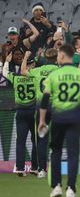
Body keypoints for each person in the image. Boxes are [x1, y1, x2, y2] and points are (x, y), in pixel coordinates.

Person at [38, 44, 80, 197]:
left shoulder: (54, 75)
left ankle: (56, 187)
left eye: (58, 56)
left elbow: (45, 100)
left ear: (62, 56)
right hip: (74, 118)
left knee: (56, 151)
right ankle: (71, 188)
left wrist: (42, 121)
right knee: (73, 153)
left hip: (58, 118)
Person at [20, 48, 58, 178]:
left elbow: (23, 71)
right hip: (56, 106)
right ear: (56, 58)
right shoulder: (59, 71)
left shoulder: (37, 71)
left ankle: (42, 169)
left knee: (41, 139)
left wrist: (25, 57)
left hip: (41, 107)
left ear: (45, 58)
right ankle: (56, 168)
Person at [2, 51, 37, 176]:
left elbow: (4, 73)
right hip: (33, 111)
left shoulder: (16, 77)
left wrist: (6, 61)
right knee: (35, 141)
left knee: (20, 141)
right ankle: (34, 167)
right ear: (31, 65)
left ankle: (20, 168)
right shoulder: (35, 77)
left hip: (21, 111)